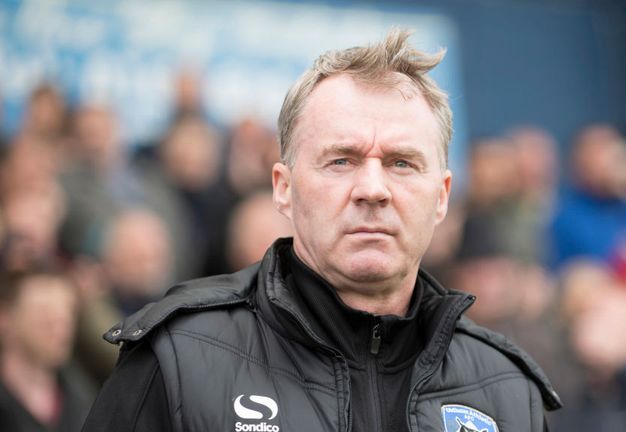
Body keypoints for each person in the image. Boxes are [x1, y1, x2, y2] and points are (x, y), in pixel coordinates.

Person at [82, 29, 561, 432]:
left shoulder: (508, 391)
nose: (372, 189)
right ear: (283, 189)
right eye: (341, 160)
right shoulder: (178, 358)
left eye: (401, 162)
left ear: (441, 196)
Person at [0, 269, 95, 432]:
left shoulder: (84, 400)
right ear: (5, 318)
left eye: (66, 316)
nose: (60, 330)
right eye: (45, 316)